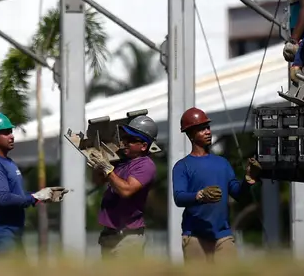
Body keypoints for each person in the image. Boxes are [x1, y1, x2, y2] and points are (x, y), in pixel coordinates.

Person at [171, 107, 262, 262]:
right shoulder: (182, 166)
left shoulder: (222, 163)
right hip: (194, 237)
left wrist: (247, 180)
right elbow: (179, 198)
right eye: (201, 129)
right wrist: (200, 195)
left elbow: (238, 193)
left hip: (223, 236)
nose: (207, 132)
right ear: (190, 134)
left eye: (208, 127)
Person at [0, 112, 67, 259]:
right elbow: (4, 199)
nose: (11, 136)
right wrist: (34, 197)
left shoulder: (8, 162)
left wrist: (42, 196)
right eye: (6, 133)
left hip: (10, 233)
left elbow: (17, 195)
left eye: (11, 132)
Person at [88, 114, 158, 258]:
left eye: (131, 140)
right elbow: (97, 181)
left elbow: (126, 190)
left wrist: (108, 169)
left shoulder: (145, 165)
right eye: (124, 137)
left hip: (128, 237)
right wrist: (98, 164)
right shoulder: (121, 162)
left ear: (144, 146)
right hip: (110, 234)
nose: (125, 142)